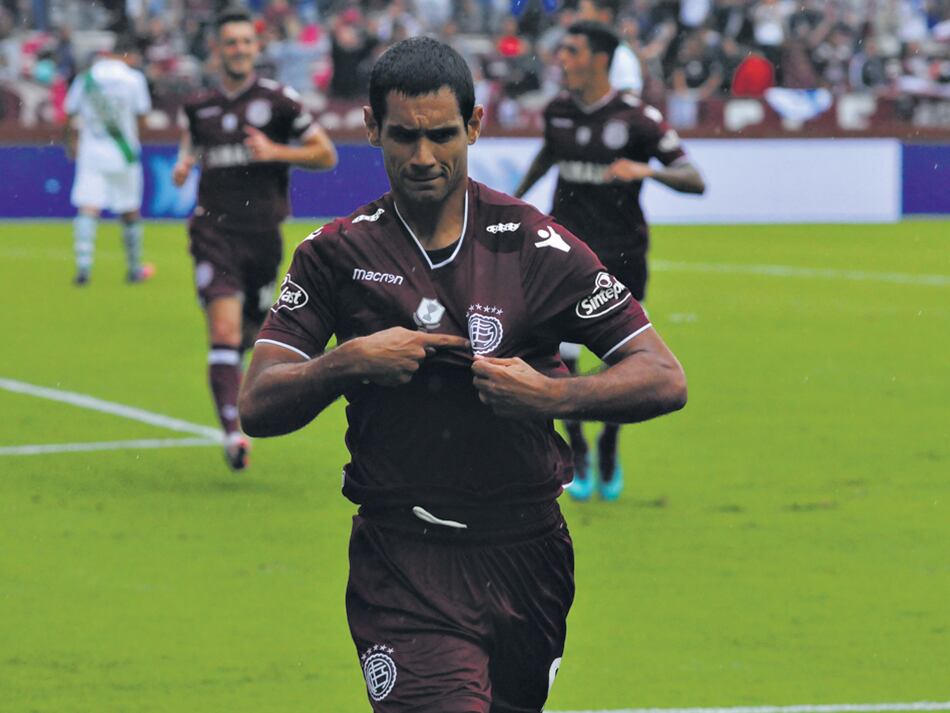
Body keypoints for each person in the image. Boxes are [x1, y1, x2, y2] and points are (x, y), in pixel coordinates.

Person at [239, 36, 687, 712]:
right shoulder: (335, 254)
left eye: (442, 135)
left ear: (475, 126)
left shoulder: (534, 244)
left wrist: (549, 395)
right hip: (403, 560)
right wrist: (349, 360)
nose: (423, 157)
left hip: (528, 555)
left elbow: (662, 375)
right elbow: (258, 402)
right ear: (371, 129)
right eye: (404, 137)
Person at [514, 21, 705, 502]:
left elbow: (693, 177)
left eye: (572, 51)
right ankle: (576, 448)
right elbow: (548, 156)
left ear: (600, 59)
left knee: (621, 361)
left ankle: (611, 445)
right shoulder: (557, 111)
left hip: (622, 254)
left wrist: (645, 169)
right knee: (565, 359)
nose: (562, 60)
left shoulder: (638, 118)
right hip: (563, 253)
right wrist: (510, 201)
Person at [171, 6, 337, 471]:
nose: (239, 50)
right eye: (231, 43)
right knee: (222, 330)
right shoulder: (199, 107)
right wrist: (185, 166)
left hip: (262, 238)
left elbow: (326, 154)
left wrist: (276, 150)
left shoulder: (279, 101)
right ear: (217, 50)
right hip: (213, 233)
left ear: (256, 48)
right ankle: (232, 435)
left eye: (246, 42)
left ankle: (229, 366)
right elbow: (190, 150)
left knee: (244, 334)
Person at [64, 34, 153, 286]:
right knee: (130, 209)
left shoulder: (87, 77)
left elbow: (70, 114)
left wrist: (72, 144)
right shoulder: (133, 79)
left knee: (88, 207)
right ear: (128, 54)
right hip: (123, 153)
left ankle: (83, 267)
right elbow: (143, 117)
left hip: (92, 152)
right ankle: (134, 269)